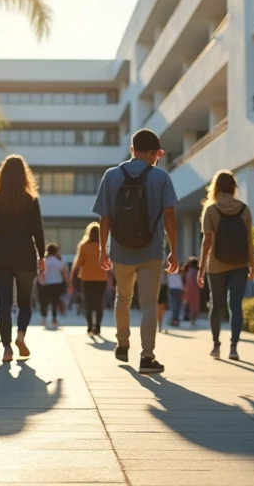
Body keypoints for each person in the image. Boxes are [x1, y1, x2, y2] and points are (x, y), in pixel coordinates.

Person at [93, 129, 179, 375]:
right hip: (151, 250)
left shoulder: (111, 175)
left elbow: (104, 217)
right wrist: (173, 251)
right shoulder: (161, 177)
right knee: (149, 303)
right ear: (157, 154)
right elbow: (170, 216)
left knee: (123, 298)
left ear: (132, 149)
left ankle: (122, 344)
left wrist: (103, 250)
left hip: (120, 250)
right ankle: (147, 357)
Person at [0, 155, 45, 363]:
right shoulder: (31, 200)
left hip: (1, 254)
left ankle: (7, 349)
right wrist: (42, 255)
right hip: (25, 254)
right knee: (25, 303)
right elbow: (38, 231)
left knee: (4, 304)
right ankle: (20, 335)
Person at [197, 170, 254, 361]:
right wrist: (252, 264)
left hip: (216, 264)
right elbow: (249, 240)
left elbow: (207, 241)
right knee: (236, 306)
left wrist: (201, 268)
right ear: (233, 187)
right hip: (240, 263)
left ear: (215, 187)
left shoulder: (211, 210)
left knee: (216, 305)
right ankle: (233, 347)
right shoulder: (244, 209)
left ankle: (216, 346)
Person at [71, 223, 107, 335]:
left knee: (88, 303)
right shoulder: (104, 246)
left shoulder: (84, 246)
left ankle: (90, 326)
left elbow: (78, 264)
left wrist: (73, 277)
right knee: (99, 303)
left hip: (87, 278)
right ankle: (98, 327)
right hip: (102, 278)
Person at [38, 243, 67, 327]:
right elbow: (64, 274)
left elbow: (40, 273)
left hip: (45, 284)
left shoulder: (44, 261)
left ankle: (43, 317)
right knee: (55, 302)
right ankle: (54, 318)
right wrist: (69, 284)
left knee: (44, 302)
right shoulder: (60, 262)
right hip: (56, 284)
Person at [182, 257, 200, 327]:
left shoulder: (188, 272)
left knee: (189, 305)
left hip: (188, 290)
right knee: (195, 306)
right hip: (195, 290)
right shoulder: (195, 272)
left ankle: (192, 320)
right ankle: (193, 321)